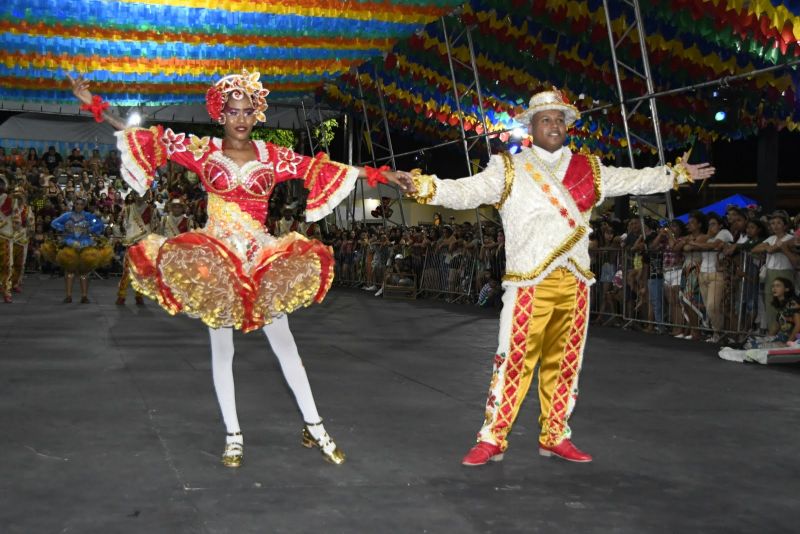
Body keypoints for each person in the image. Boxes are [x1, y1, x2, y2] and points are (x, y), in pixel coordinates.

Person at [67, 70, 412, 468]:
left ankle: (315, 425)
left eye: (248, 111)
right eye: (233, 112)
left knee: (286, 348)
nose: (242, 118)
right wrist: (94, 105)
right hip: (215, 260)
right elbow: (147, 138)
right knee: (222, 349)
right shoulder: (202, 150)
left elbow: (330, 168)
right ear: (220, 113)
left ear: (257, 113)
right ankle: (233, 434)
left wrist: (386, 175)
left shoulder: (274, 156)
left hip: (262, 260)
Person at [406, 88, 714, 465]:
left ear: (567, 126)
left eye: (559, 119)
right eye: (545, 119)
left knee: (567, 361)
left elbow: (633, 179)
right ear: (530, 127)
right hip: (528, 283)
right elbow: (466, 191)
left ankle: (555, 434)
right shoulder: (508, 168)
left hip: (575, 281)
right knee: (514, 359)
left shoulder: (590, 168)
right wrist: (426, 186)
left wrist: (674, 174)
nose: (554, 125)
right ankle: (492, 438)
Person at [44, 197, 112, 303]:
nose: (78, 206)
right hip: (70, 244)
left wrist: (89, 229)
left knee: (84, 272)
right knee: (69, 271)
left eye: (81, 204)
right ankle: (68, 296)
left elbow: (99, 225)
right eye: (76, 204)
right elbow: (54, 222)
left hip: (85, 244)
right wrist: (64, 228)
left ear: (84, 205)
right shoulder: (67, 216)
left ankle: (84, 296)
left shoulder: (89, 216)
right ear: (74, 205)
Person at [718, 277, 800, 364]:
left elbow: (798, 325)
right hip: (781, 337)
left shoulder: (793, 303)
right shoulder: (781, 304)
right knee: (751, 342)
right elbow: (777, 324)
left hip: (791, 340)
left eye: (778, 286)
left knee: (755, 346)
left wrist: (788, 344)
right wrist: (768, 338)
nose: (774, 288)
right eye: (773, 286)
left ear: (787, 289)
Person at [116, 192, 157, 306]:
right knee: (127, 270)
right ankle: (121, 295)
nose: (139, 197)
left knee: (142, 271)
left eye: (142, 194)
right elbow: (124, 225)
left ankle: (139, 295)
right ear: (133, 196)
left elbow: (153, 226)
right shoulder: (128, 209)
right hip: (132, 243)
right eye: (137, 194)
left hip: (144, 243)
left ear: (147, 196)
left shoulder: (151, 209)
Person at [10, 186, 35, 295]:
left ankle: (16, 283)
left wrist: (29, 230)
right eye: (16, 196)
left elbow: (31, 225)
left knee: (20, 264)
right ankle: (5, 283)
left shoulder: (28, 209)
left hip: (22, 240)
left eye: (21, 196)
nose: (19, 198)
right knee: (7, 262)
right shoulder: (8, 207)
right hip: (9, 238)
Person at [0, 176, 14, 303]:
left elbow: (10, 215)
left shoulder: (9, 200)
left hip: (4, 236)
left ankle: (6, 291)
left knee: (6, 265)